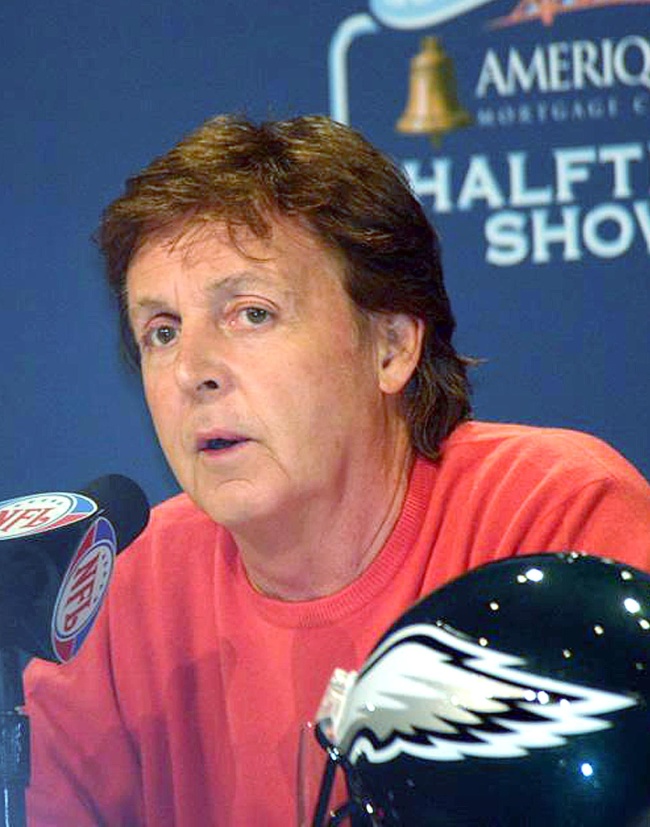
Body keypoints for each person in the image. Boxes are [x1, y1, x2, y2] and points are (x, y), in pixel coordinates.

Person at [24, 115, 650, 826]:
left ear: (391, 347)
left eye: (251, 314)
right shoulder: (122, 595)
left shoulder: (558, 520)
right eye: (162, 331)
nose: (191, 371)